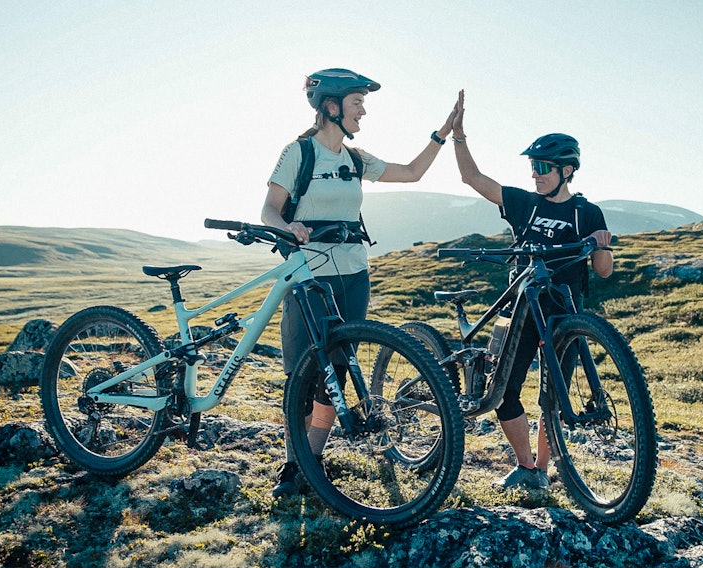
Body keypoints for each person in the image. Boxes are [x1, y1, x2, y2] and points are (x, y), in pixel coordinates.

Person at [261, 68, 455, 498]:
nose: (363, 111)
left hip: (354, 274)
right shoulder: (299, 152)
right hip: (310, 274)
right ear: (331, 106)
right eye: (356, 103)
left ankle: (313, 457)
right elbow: (269, 210)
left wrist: (442, 135)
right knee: (302, 374)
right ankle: (293, 467)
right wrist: (287, 226)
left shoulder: (355, 158)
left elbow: (411, 172)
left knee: (339, 371)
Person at [449, 90, 613, 490]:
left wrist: (603, 243)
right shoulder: (525, 203)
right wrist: (458, 136)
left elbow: (604, 271)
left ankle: (542, 469)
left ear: (567, 171)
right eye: (533, 166)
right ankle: (525, 466)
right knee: (504, 391)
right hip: (520, 308)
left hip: (564, 312)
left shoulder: (586, 212)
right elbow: (473, 179)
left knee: (552, 397)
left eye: (543, 167)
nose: (535, 173)